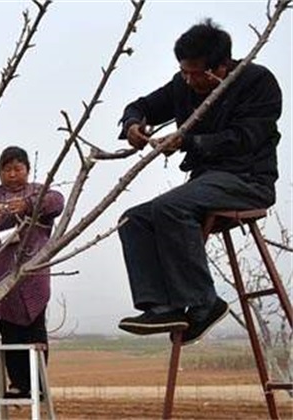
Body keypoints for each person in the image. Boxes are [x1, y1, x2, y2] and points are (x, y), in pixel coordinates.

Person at [116, 19, 282, 345]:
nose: (190, 81)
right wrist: (134, 124)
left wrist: (189, 142)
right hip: (204, 183)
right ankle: (162, 306)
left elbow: (245, 138)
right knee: (133, 220)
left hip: (247, 180)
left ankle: (205, 302)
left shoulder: (257, 82)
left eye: (197, 73)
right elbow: (142, 105)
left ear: (221, 66)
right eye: (184, 73)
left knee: (170, 207)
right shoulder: (184, 84)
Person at [0, 145, 65, 398]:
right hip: (1, 275)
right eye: (7, 169)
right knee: (9, 331)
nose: (12, 174)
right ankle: (19, 384)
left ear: (27, 170)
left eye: (18, 169)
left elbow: (57, 201)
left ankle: (37, 385)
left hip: (33, 274)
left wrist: (26, 205)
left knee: (34, 327)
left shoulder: (37, 191)